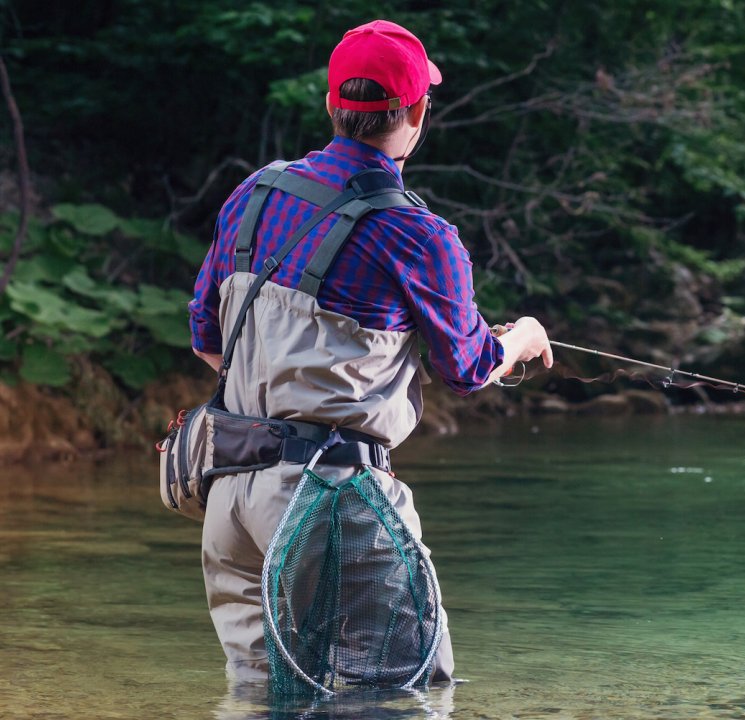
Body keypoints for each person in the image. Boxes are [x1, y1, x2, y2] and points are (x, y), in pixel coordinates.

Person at [187, 19, 553, 684]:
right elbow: (467, 369)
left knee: (263, 699)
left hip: (231, 501)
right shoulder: (418, 234)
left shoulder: (255, 193)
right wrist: (522, 338)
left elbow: (207, 340)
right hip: (331, 502)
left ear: (332, 105)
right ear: (417, 112)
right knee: (404, 691)